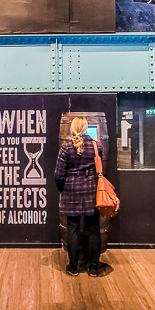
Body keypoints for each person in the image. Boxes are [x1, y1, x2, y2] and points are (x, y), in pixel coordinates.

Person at [54, 116, 103, 277]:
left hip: (71, 193)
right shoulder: (97, 146)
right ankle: (93, 267)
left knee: (73, 230)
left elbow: (58, 175)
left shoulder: (66, 148)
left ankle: (73, 267)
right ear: (86, 128)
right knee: (94, 230)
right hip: (91, 193)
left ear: (73, 128)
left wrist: (63, 189)